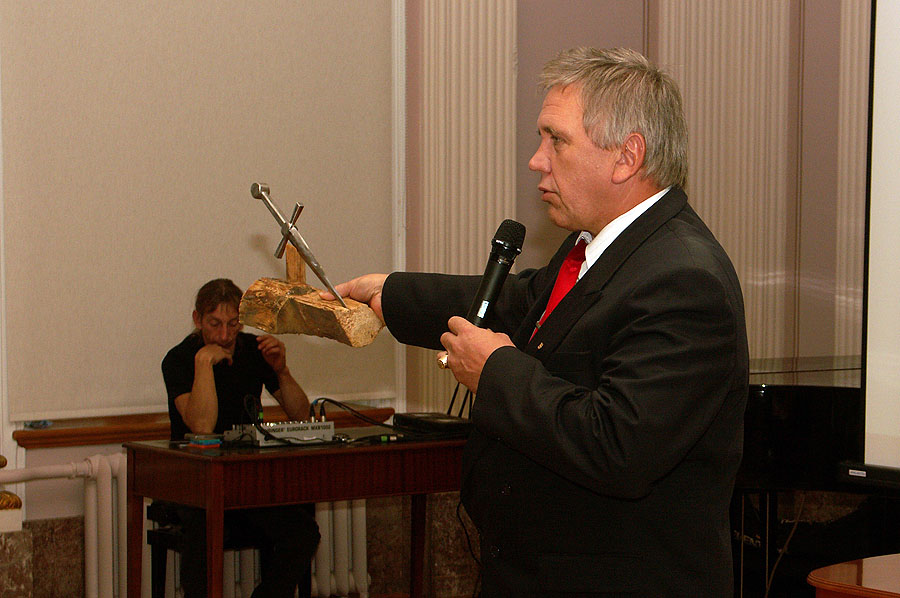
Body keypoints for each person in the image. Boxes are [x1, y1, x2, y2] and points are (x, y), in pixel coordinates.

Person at [326, 48, 749, 596]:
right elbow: (518, 302)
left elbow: (618, 445)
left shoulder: (684, 278)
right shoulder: (599, 249)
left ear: (627, 157)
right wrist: (391, 294)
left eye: (557, 141)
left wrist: (494, 372)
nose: (536, 160)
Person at [161, 278, 320, 598]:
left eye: (233, 324)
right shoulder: (179, 359)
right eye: (215, 324)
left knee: (302, 531)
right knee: (202, 530)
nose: (224, 335)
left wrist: (282, 371)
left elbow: (302, 414)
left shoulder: (254, 350)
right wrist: (204, 363)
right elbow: (201, 426)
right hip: (195, 483)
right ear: (197, 320)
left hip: (247, 479)